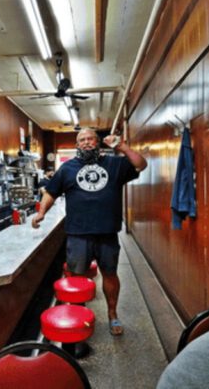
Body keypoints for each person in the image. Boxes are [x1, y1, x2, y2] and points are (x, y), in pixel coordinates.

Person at [31, 127, 147, 335]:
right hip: (78, 233)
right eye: (82, 140)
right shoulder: (67, 169)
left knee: (110, 274)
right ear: (77, 145)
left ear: (98, 143)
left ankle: (112, 314)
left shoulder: (114, 164)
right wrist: (41, 212)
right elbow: (51, 192)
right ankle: (77, 314)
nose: (86, 142)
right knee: (76, 277)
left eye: (90, 139)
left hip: (107, 232)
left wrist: (120, 145)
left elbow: (140, 164)